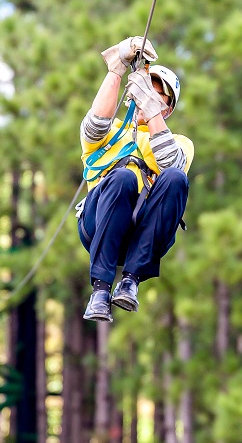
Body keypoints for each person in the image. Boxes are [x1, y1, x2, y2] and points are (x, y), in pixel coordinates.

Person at [77, 36, 193, 322]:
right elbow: (94, 126)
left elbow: (171, 163)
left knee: (175, 178)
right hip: (100, 222)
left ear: (167, 109)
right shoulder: (112, 133)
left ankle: (130, 280)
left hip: (143, 234)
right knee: (122, 179)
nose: (147, 98)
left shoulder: (179, 142)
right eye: (145, 92)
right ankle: (100, 290)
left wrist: (150, 109)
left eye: (157, 97)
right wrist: (118, 66)